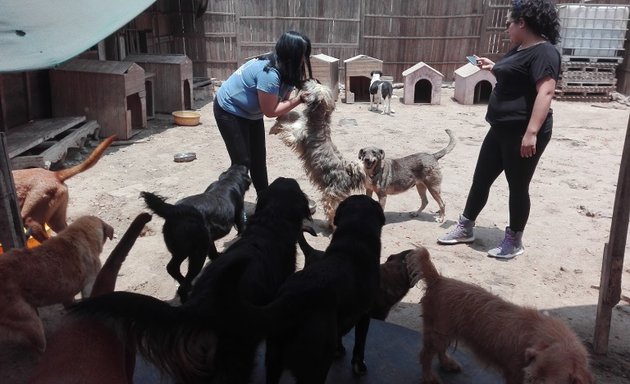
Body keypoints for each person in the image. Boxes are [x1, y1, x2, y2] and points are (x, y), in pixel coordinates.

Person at [438, 0, 561, 259]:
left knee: (517, 186)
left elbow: (546, 91)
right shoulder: (519, 48)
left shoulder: (545, 52)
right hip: (500, 128)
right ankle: (466, 226)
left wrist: (531, 133)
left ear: (522, 23)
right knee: (480, 179)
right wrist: (495, 67)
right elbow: (516, 78)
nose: (506, 29)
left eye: (509, 24)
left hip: (521, 132)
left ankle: (514, 239)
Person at [213, 31, 313, 193]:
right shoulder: (269, 73)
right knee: (241, 163)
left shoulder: (288, 70)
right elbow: (271, 111)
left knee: (258, 160)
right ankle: (228, 202)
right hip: (229, 110)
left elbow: (282, 103)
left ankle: (264, 200)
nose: (304, 58)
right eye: (302, 54)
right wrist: (299, 100)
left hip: (251, 113)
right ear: (292, 54)